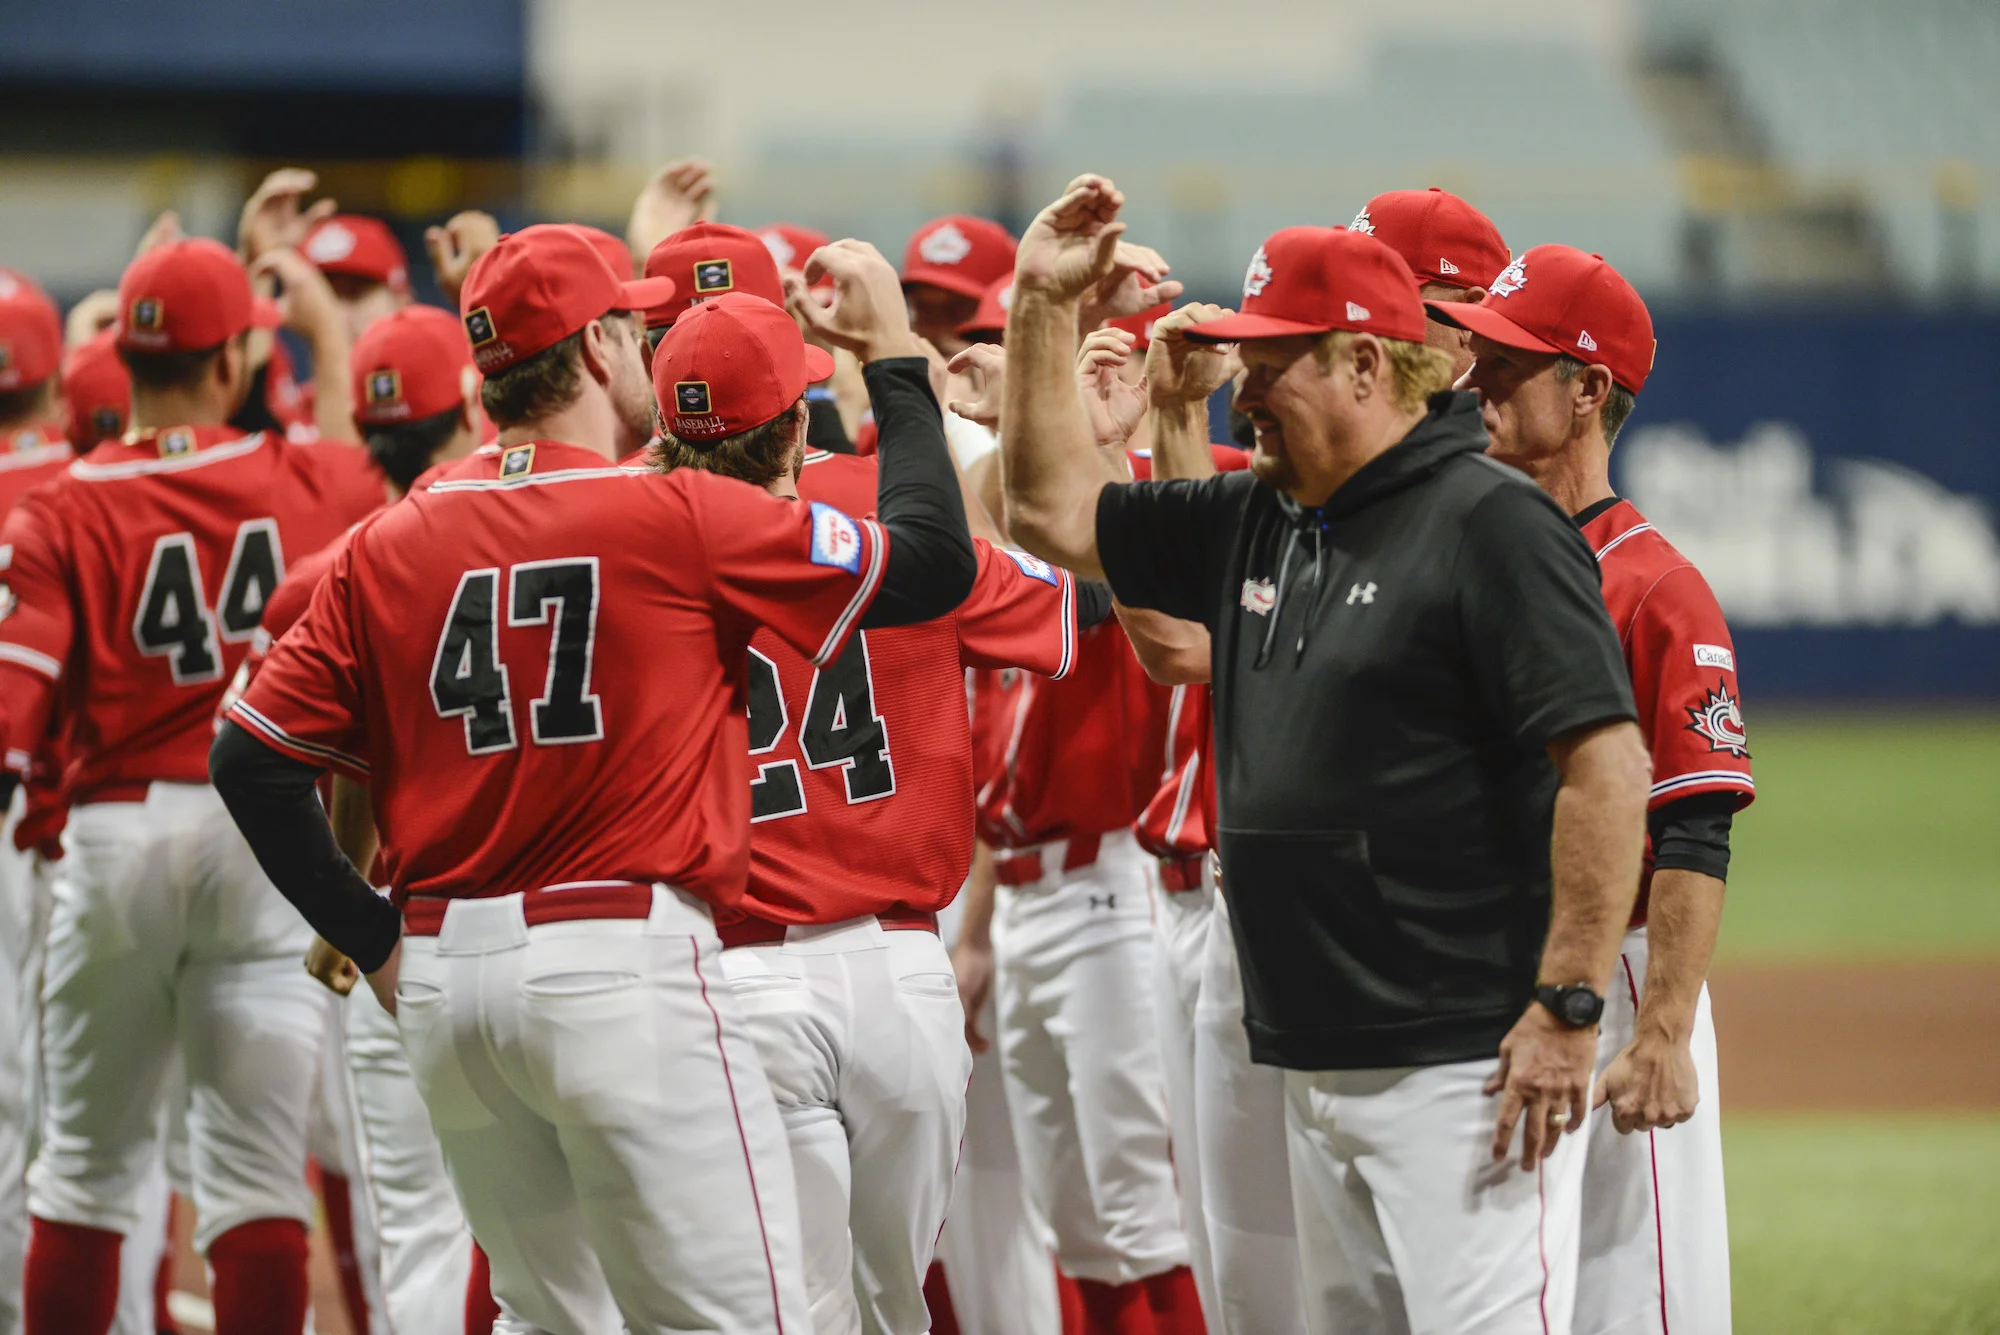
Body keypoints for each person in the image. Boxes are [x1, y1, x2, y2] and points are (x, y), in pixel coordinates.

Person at [207, 226, 978, 1332]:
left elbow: (248, 761)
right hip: (619, 962)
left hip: (449, 982)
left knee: (548, 1319)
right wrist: (897, 365)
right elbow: (933, 564)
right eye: (629, 322)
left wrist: (370, 936)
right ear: (603, 350)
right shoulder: (674, 514)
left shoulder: (388, 538)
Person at [997, 175, 1653, 1335]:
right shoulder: (1265, 511)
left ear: (1364, 364)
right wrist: (1038, 310)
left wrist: (1563, 1005)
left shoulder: (1490, 525)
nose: (1239, 388)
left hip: (1461, 1070)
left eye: (1271, 361)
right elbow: (1049, 511)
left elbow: (1604, 765)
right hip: (1308, 1059)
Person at [651, 285, 1096, 1335]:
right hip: (899, 971)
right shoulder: (880, 513)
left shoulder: (633, 533)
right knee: (895, 1307)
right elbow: (1080, 613)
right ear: (798, 420)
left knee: (785, 1307)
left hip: (727, 969)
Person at [0, 236, 385, 1335]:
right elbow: (372, 466)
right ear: (233, 362)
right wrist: (327, 331)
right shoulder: (308, 475)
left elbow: (13, 712)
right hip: (267, 835)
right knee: (257, 1176)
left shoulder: (63, 505)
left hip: (118, 837)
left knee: (80, 1172)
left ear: (123, 362)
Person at [1439, 245, 1754, 1334]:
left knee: (1636, 1307)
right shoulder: (1473, 557)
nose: (1473, 378)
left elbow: (1695, 824)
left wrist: (1660, 1030)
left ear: (1584, 391)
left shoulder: (1656, 586)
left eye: (1506, 363)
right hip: (1488, 980)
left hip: (1617, 982)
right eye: (1478, 352)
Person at [237, 302, 492, 1335]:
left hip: (408, 932)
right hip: (570, 918)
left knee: (424, 1237)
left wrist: (343, 913)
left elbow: (315, 761)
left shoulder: (327, 574)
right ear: (466, 409)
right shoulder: (556, 524)